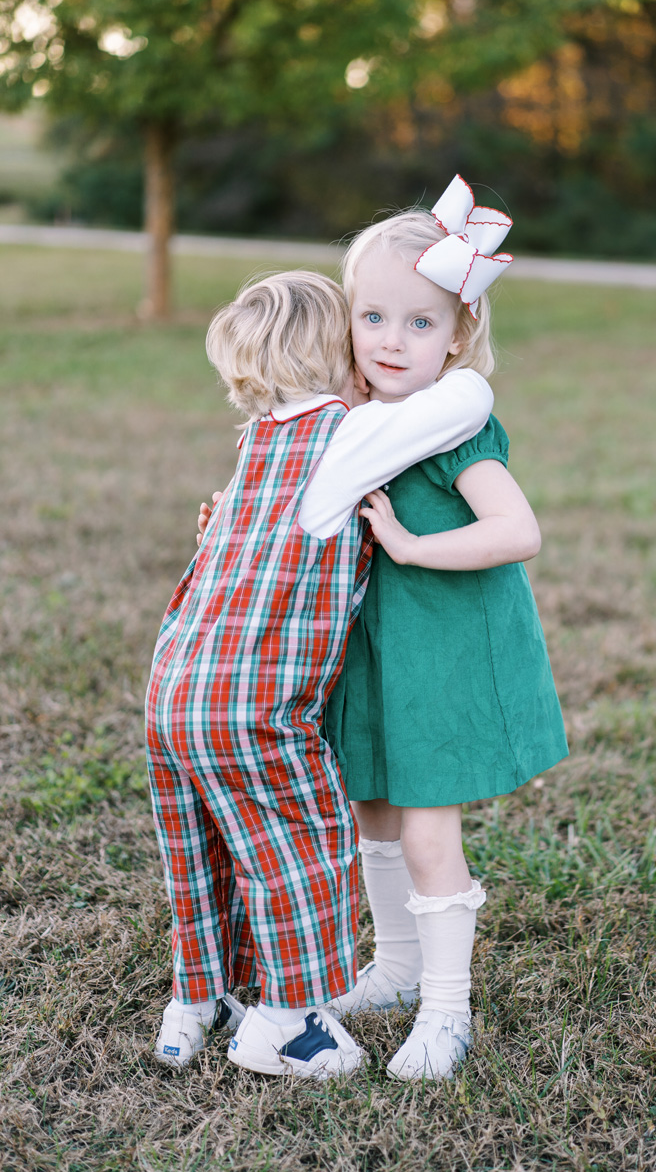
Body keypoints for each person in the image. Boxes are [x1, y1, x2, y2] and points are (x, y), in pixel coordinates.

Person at [147, 269, 493, 1079]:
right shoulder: (344, 437)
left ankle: (195, 1001)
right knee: (297, 851)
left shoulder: (255, 443)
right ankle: (288, 1027)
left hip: (174, 689)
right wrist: (454, 341)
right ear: (336, 353)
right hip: (255, 705)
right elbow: (467, 399)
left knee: (203, 851)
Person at [318, 176, 569, 1080]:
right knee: (374, 811)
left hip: (444, 651)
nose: (391, 340)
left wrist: (415, 547)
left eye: (420, 323)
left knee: (427, 827)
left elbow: (518, 530)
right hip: (376, 651)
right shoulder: (350, 422)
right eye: (373, 316)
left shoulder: (455, 425)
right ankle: (393, 968)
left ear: (457, 337)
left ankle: (446, 1011)